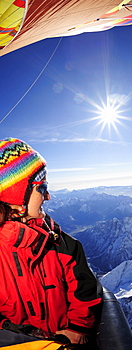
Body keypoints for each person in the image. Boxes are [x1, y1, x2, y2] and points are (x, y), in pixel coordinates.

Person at [0, 138, 103, 348]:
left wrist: (78, 329)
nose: (48, 196)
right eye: (41, 187)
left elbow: (85, 291)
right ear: (15, 193)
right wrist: (27, 336)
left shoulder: (62, 244)